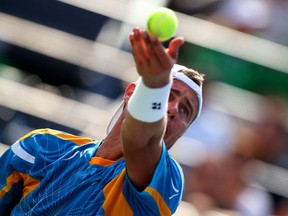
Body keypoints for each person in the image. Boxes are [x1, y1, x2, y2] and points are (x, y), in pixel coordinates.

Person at [0, 27, 204, 215]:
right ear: (131, 93)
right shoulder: (41, 146)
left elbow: (142, 140)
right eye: (167, 95)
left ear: (182, 132)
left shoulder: (167, 181)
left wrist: (153, 87)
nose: (173, 110)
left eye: (185, 111)